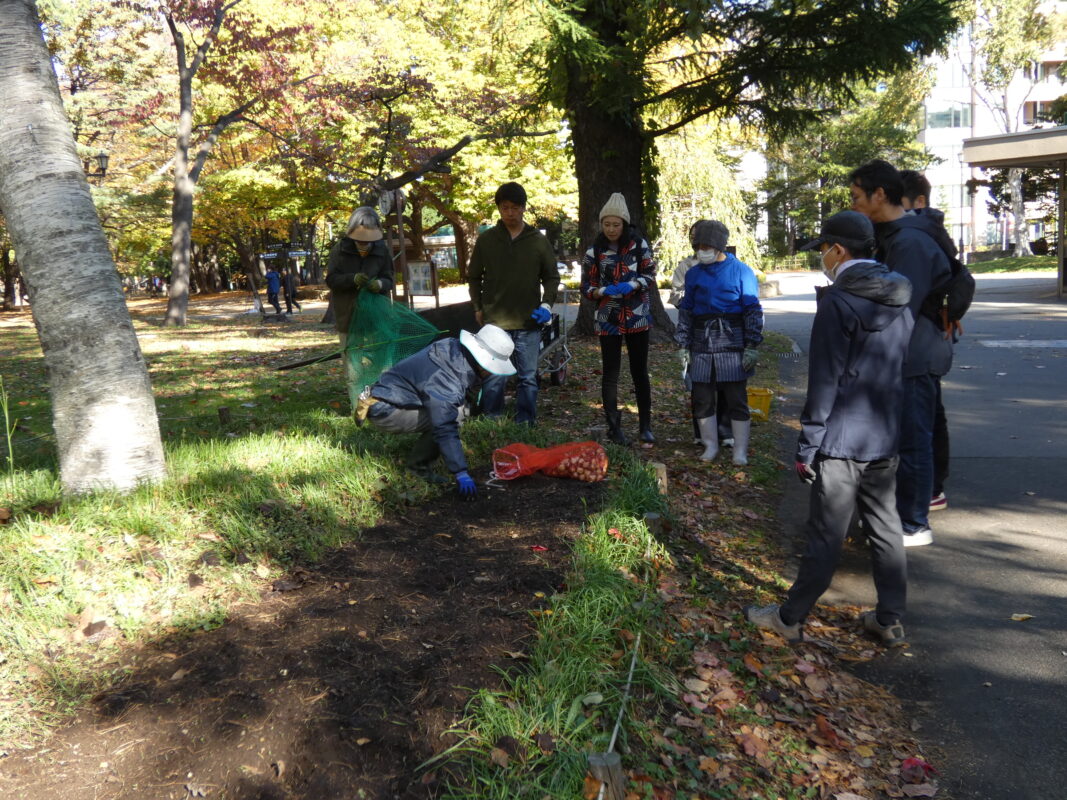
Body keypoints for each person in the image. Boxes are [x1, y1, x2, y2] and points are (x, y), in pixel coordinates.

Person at [744, 211, 914, 647]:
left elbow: (825, 382)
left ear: (839, 250)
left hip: (840, 439)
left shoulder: (838, 303)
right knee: (885, 528)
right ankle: (890, 619)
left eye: (822, 249)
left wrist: (808, 444)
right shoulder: (899, 296)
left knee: (826, 532)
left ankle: (790, 616)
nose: (821, 257)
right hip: (885, 433)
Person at [849, 160, 954, 546]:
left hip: (914, 352)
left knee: (913, 438)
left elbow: (900, 307)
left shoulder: (908, 241)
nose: (854, 203)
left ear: (880, 194)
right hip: (908, 350)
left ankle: (914, 524)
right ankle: (902, 516)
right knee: (905, 437)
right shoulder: (893, 234)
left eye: (857, 196)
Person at [360, 324, 517, 497]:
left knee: (456, 410)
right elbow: (444, 424)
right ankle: (418, 468)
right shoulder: (445, 380)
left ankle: (424, 458)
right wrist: (460, 472)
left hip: (389, 397)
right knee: (455, 415)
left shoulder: (452, 348)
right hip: (385, 409)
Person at [468, 182, 560, 425]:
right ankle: (492, 421)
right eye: (505, 207)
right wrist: (477, 306)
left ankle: (526, 423)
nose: (510, 213)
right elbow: (474, 276)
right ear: (499, 208)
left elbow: (551, 277)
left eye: (515, 208)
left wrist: (546, 305)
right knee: (494, 375)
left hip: (528, 320)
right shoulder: (487, 240)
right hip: (495, 322)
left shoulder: (537, 241)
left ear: (523, 208)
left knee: (528, 376)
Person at [674, 220, 763, 466]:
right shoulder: (693, 273)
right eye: (698, 245)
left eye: (707, 245)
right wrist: (683, 344)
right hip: (701, 340)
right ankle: (710, 445)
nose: (702, 249)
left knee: (736, 397)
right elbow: (687, 311)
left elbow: (752, 310)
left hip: (732, 338)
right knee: (702, 396)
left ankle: (740, 450)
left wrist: (752, 345)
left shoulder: (742, 271)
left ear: (719, 245)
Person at [580, 193, 657, 445]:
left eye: (616, 224)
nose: (611, 229)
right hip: (608, 317)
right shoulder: (594, 251)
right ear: (601, 224)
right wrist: (602, 291)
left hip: (637, 317)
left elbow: (650, 275)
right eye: (607, 224)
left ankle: (645, 425)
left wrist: (634, 284)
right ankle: (614, 427)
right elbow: (587, 286)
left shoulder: (639, 245)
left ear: (624, 224)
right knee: (610, 373)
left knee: (639, 371)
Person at [900, 170, 951, 512]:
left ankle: (916, 510)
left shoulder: (915, 238)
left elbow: (907, 299)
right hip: (933, 341)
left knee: (919, 427)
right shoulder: (932, 231)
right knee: (931, 416)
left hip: (919, 343)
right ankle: (932, 489)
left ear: (918, 202)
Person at [670, 221, 735, 449]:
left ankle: (726, 431)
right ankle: (701, 431)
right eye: (697, 239)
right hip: (697, 330)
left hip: (724, 332)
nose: (702, 245)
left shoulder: (730, 265)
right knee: (699, 384)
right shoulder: (686, 267)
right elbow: (677, 294)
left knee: (726, 381)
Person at [325, 206, 395, 341]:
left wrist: (380, 284)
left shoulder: (382, 250)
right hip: (348, 317)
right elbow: (331, 280)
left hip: (377, 316)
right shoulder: (339, 250)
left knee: (380, 357)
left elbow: (389, 278)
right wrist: (352, 279)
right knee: (352, 358)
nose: (364, 243)